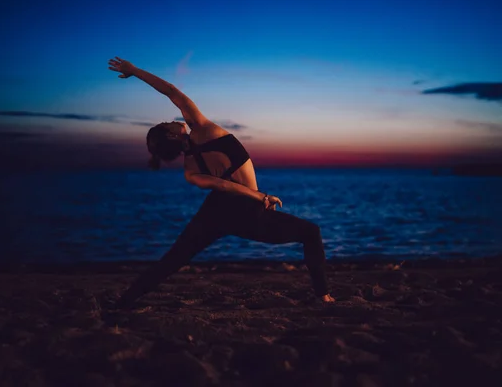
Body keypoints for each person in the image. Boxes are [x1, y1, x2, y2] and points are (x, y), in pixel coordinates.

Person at [108, 56, 335, 307]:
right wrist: (261, 197)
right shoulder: (204, 129)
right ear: (172, 133)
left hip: (216, 211)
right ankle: (323, 296)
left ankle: (127, 300)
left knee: (175, 258)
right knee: (311, 233)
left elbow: (222, 188)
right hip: (248, 212)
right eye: (167, 123)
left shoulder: (189, 170)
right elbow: (171, 91)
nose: (172, 119)